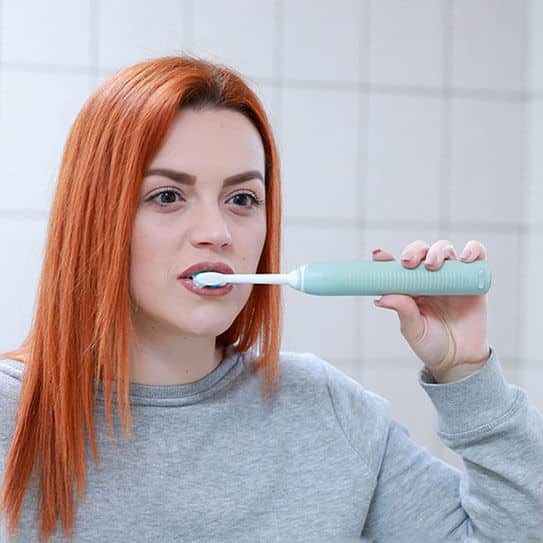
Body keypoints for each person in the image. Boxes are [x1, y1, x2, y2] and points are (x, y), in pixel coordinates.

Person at [0, 55, 541, 543]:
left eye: (242, 198)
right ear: (95, 216)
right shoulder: (11, 415)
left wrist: (466, 373)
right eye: (167, 195)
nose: (217, 232)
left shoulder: (325, 411)